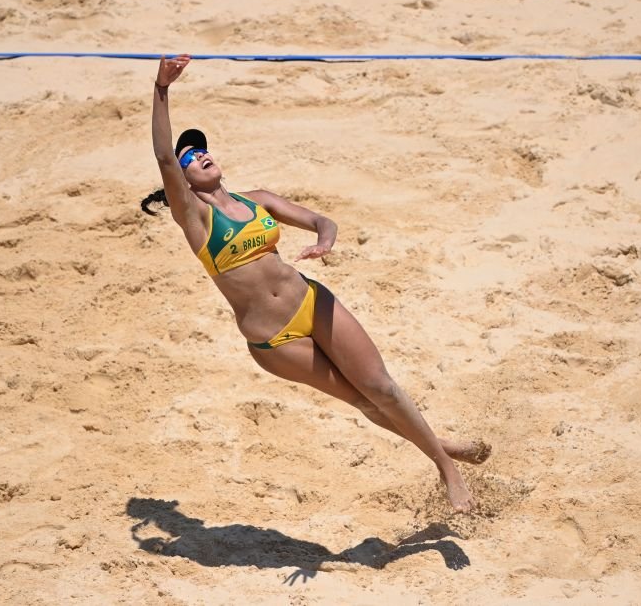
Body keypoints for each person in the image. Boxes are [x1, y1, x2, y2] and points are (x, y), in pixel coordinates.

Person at [140, 54, 490, 513]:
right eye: (190, 158)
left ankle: (443, 454)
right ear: (180, 184)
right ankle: (447, 464)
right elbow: (164, 154)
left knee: (381, 388)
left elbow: (320, 219)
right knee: (364, 402)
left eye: (202, 149)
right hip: (275, 340)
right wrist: (162, 87)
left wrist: (325, 239)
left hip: (310, 300)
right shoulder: (197, 217)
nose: (198, 154)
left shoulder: (257, 200)